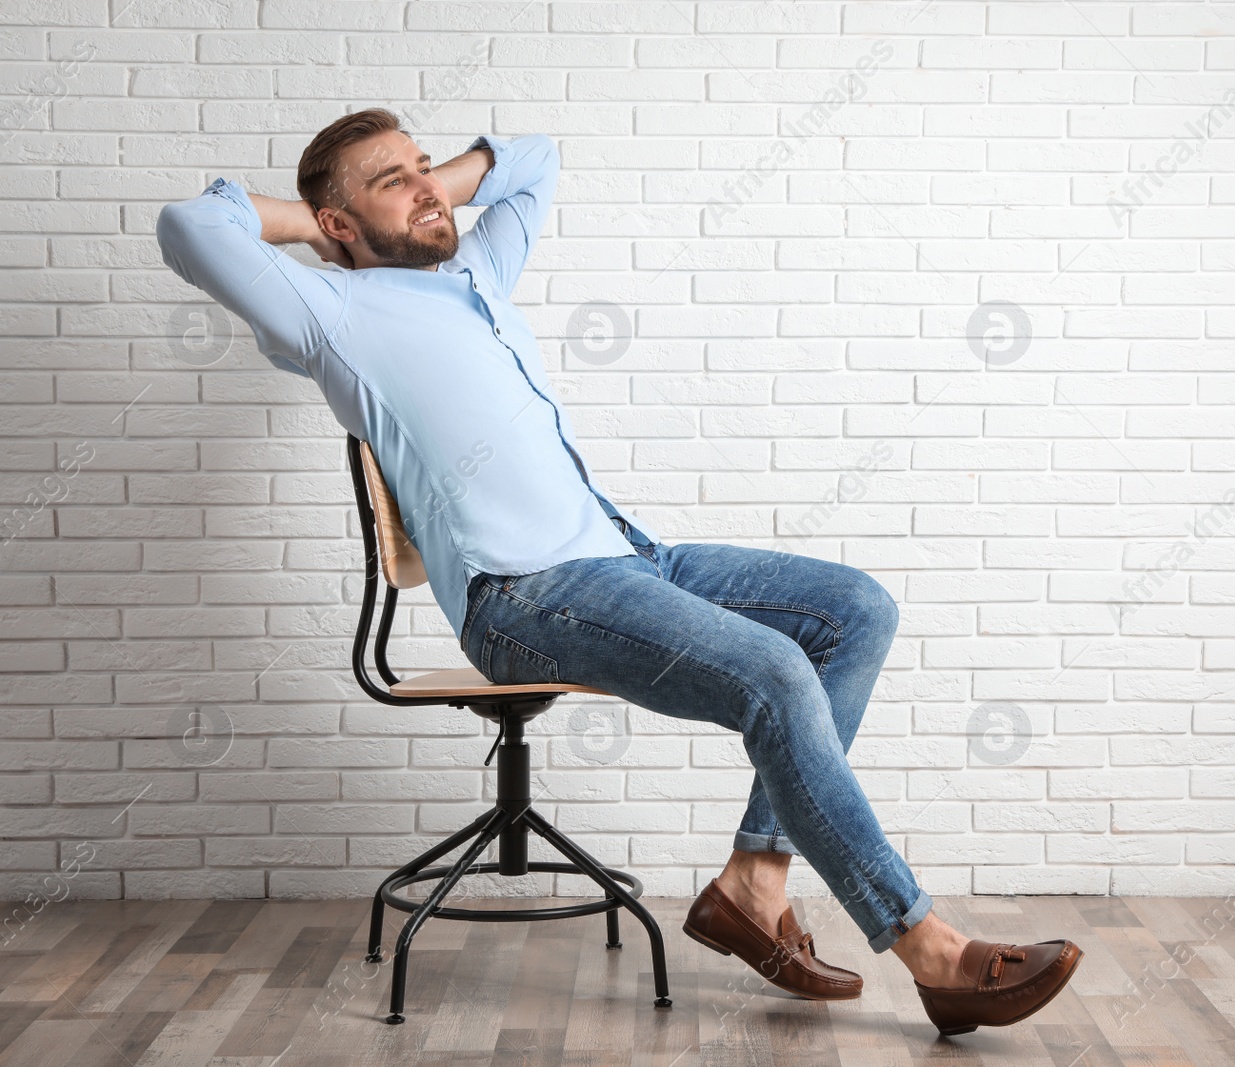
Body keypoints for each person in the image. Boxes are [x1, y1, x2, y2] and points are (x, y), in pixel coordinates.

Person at [155, 107, 1082, 1036]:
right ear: (340, 225)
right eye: (392, 180)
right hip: (525, 595)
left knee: (855, 610)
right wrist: (315, 220)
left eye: (423, 164)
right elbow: (190, 227)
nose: (429, 185)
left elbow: (534, 161)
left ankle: (753, 882)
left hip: (628, 556)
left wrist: (426, 184)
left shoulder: (475, 273)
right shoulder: (330, 314)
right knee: (773, 671)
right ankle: (930, 947)